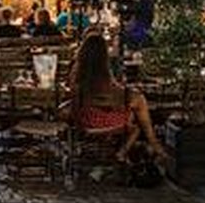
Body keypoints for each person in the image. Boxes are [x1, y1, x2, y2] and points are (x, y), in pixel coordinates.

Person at [68, 33, 167, 161]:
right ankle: (150, 144)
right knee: (137, 108)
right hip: (110, 123)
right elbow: (115, 92)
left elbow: (74, 99)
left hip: (86, 122)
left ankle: (144, 146)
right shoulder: (105, 73)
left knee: (129, 107)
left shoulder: (77, 74)